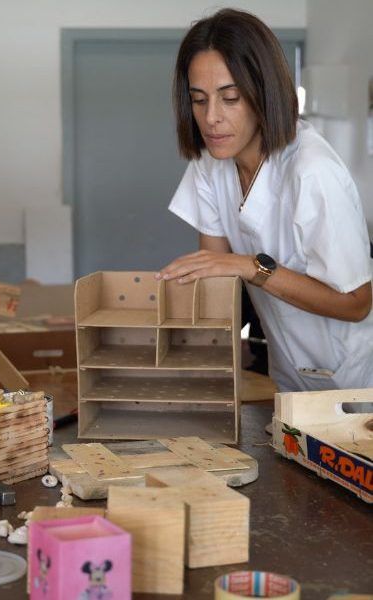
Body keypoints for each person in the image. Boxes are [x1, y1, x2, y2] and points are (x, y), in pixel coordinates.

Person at [158, 8, 373, 393]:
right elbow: (215, 279)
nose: (211, 119)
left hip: (355, 379)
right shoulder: (211, 164)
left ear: (263, 92)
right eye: (199, 100)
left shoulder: (312, 171)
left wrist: (250, 266)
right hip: (289, 369)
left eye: (230, 98)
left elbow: (357, 303)